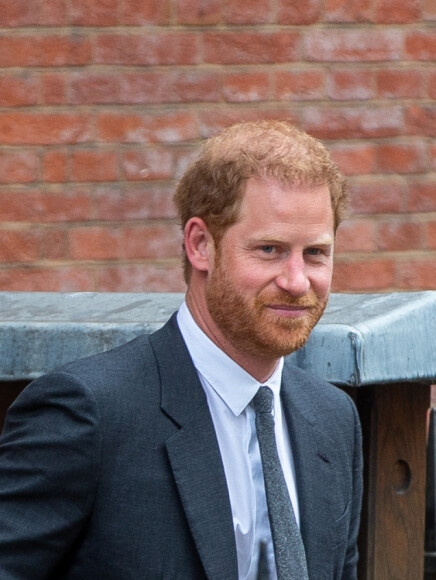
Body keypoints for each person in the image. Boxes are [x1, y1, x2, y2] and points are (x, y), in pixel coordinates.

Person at [0, 120, 363, 579]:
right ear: (200, 245)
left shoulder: (333, 420)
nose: (297, 281)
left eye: (315, 253)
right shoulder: (89, 412)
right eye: (269, 249)